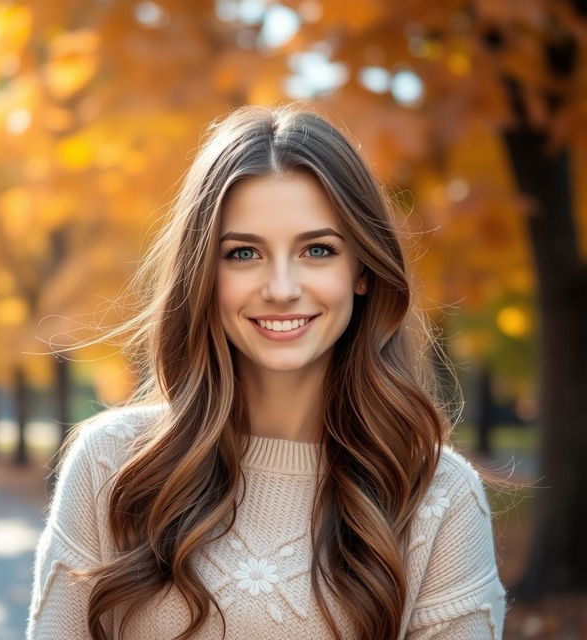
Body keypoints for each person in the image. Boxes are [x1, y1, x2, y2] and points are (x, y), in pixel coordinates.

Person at [26, 104, 509, 639]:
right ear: (204, 274)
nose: (280, 288)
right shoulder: (111, 465)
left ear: (363, 272)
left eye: (317, 250)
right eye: (244, 253)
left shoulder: (436, 496)